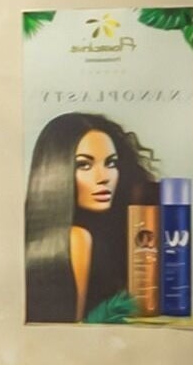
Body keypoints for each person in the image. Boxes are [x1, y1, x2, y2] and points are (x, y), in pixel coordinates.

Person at [22, 110, 163, 324]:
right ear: (56, 169)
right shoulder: (76, 239)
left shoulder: (108, 233)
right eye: (84, 165)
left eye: (111, 163)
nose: (103, 177)